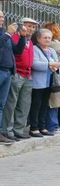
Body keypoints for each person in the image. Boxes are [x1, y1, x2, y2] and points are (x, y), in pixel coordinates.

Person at [3, 17, 37, 140]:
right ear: (21, 26)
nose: (31, 29)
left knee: (24, 104)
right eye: (28, 26)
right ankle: (8, 130)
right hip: (17, 73)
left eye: (33, 27)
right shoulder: (14, 38)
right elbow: (16, 54)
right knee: (11, 104)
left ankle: (19, 129)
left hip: (28, 75)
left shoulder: (30, 41)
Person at [29, 28, 60, 137]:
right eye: (45, 37)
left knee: (44, 105)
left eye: (49, 38)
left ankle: (42, 127)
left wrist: (55, 67)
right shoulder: (34, 49)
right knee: (36, 105)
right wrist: (49, 65)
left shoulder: (52, 50)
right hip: (38, 83)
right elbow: (33, 64)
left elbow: (56, 62)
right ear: (38, 39)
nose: (47, 40)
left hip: (49, 82)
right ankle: (34, 128)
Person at [0, 11, 26, 145]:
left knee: (1, 105)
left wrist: (22, 37)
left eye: (3, 16)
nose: (2, 19)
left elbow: (17, 51)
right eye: (0, 17)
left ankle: (0, 133)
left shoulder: (4, 33)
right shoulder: (5, 34)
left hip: (8, 72)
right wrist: (8, 34)